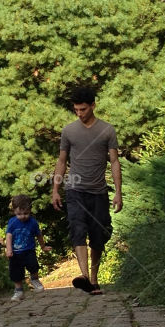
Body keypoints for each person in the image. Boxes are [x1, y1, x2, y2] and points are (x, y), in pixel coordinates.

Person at [51, 85, 122, 294]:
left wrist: (118, 192)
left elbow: (115, 161)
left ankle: (93, 276)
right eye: (76, 110)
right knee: (77, 229)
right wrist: (55, 189)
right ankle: (84, 277)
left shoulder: (107, 130)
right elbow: (62, 161)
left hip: (99, 191)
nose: (79, 113)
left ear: (93, 105)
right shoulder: (68, 131)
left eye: (83, 109)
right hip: (74, 190)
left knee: (99, 234)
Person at [5, 194, 48, 301]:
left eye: (26, 213)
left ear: (30, 210)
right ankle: (18, 291)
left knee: (33, 266)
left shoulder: (33, 222)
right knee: (15, 272)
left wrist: (43, 246)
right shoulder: (12, 222)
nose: (23, 216)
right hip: (15, 253)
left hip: (29, 250)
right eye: (19, 214)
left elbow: (39, 235)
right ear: (14, 211)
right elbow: (9, 236)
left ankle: (34, 280)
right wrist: (9, 249)